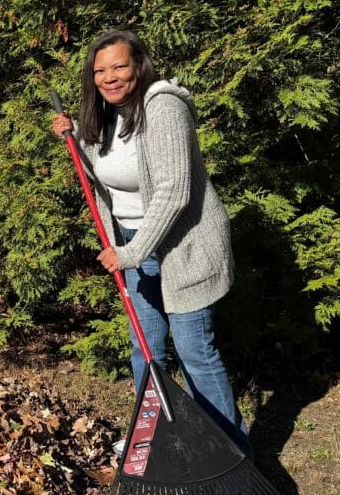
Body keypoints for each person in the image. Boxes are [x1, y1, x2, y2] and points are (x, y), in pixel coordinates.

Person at [51, 30, 252, 458]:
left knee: (194, 351)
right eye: (100, 70)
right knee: (146, 348)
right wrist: (73, 138)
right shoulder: (107, 114)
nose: (110, 77)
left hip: (183, 247)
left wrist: (131, 253)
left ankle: (230, 456)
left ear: (139, 65)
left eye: (119, 66)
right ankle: (157, 436)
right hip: (133, 245)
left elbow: (174, 190)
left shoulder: (162, 107)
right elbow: (110, 177)